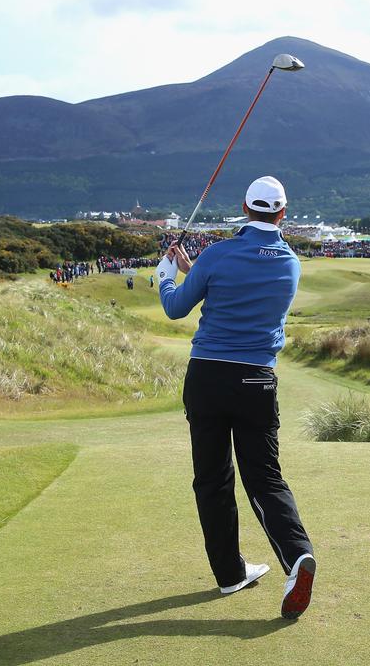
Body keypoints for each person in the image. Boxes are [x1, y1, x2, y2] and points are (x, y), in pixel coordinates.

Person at [157, 175, 315, 620]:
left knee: (212, 479)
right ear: (283, 214)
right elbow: (243, 285)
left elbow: (175, 307)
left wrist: (167, 277)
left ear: (244, 209)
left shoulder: (217, 255)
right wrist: (197, 269)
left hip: (207, 378)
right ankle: (296, 556)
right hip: (256, 382)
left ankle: (229, 573)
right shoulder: (290, 263)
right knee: (265, 479)